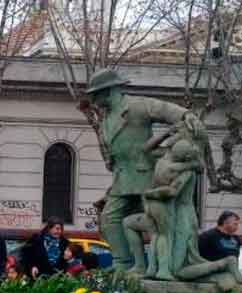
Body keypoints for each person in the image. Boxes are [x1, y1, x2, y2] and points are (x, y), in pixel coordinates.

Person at [85, 68, 204, 270]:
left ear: (109, 90)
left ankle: (164, 266)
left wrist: (187, 116)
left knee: (155, 222)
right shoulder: (105, 118)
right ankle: (123, 262)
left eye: (96, 93)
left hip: (147, 175)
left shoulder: (137, 105)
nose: (93, 99)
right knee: (109, 219)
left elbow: (167, 110)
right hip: (122, 178)